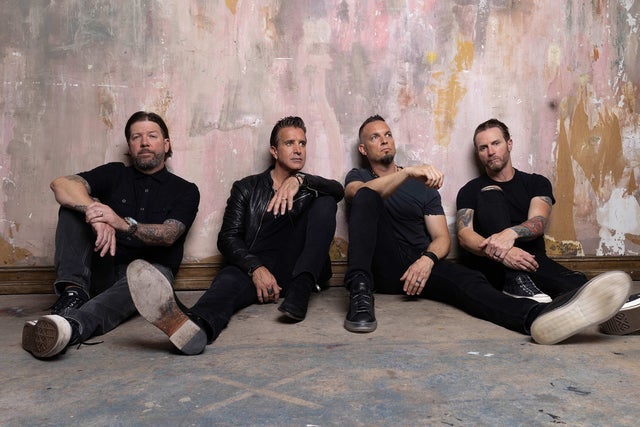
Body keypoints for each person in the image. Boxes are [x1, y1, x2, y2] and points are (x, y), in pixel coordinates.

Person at [342, 114, 631, 345]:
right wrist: (406, 172)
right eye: (375, 137)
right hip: (383, 266)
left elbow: (441, 239)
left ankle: (536, 316)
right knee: (367, 195)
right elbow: (356, 195)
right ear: (363, 149)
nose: (384, 140)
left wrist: (427, 260)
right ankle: (359, 291)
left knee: (469, 281)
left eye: (388, 134)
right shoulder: (360, 176)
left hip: (420, 264)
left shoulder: (423, 186)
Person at [127, 116, 344, 355]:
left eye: (302, 143)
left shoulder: (312, 188)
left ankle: (301, 288)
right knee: (226, 284)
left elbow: (338, 191)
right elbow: (228, 238)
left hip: (295, 269)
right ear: (274, 150)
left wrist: (300, 180)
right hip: (254, 265)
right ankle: (194, 326)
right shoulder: (246, 188)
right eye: (289, 143)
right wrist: (255, 268)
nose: (298, 150)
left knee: (326, 202)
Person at [22, 111, 200, 359]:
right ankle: (73, 294)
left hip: (152, 274)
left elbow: (169, 234)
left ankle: (69, 327)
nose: (144, 142)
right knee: (72, 208)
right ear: (130, 145)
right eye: (136, 137)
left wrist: (120, 223)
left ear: (166, 144)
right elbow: (60, 185)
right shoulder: (115, 173)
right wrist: (95, 214)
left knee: (143, 280)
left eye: (152, 136)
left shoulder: (185, 190)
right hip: (104, 268)